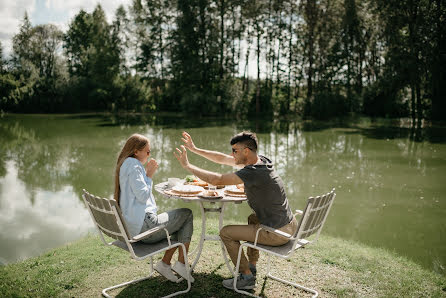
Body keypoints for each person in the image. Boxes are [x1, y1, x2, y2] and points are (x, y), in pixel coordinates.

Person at [174, 131, 297, 291]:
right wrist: (195, 149)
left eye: (235, 151)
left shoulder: (253, 172)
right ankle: (251, 266)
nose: (231, 155)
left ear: (246, 151)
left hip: (277, 233)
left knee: (226, 232)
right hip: (289, 225)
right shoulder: (262, 162)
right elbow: (221, 158)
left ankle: (246, 277)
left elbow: (217, 179)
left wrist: (187, 166)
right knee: (253, 218)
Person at [114, 133, 194, 283]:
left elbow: (137, 192)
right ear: (136, 151)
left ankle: (165, 264)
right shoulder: (134, 164)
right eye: (148, 152)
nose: (149, 155)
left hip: (133, 228)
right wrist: (149, 175)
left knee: (178, 221)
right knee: (187, 214)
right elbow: (143, 195)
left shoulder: (125, 164)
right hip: (145, 228)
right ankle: (181, 264)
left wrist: (145, 175)